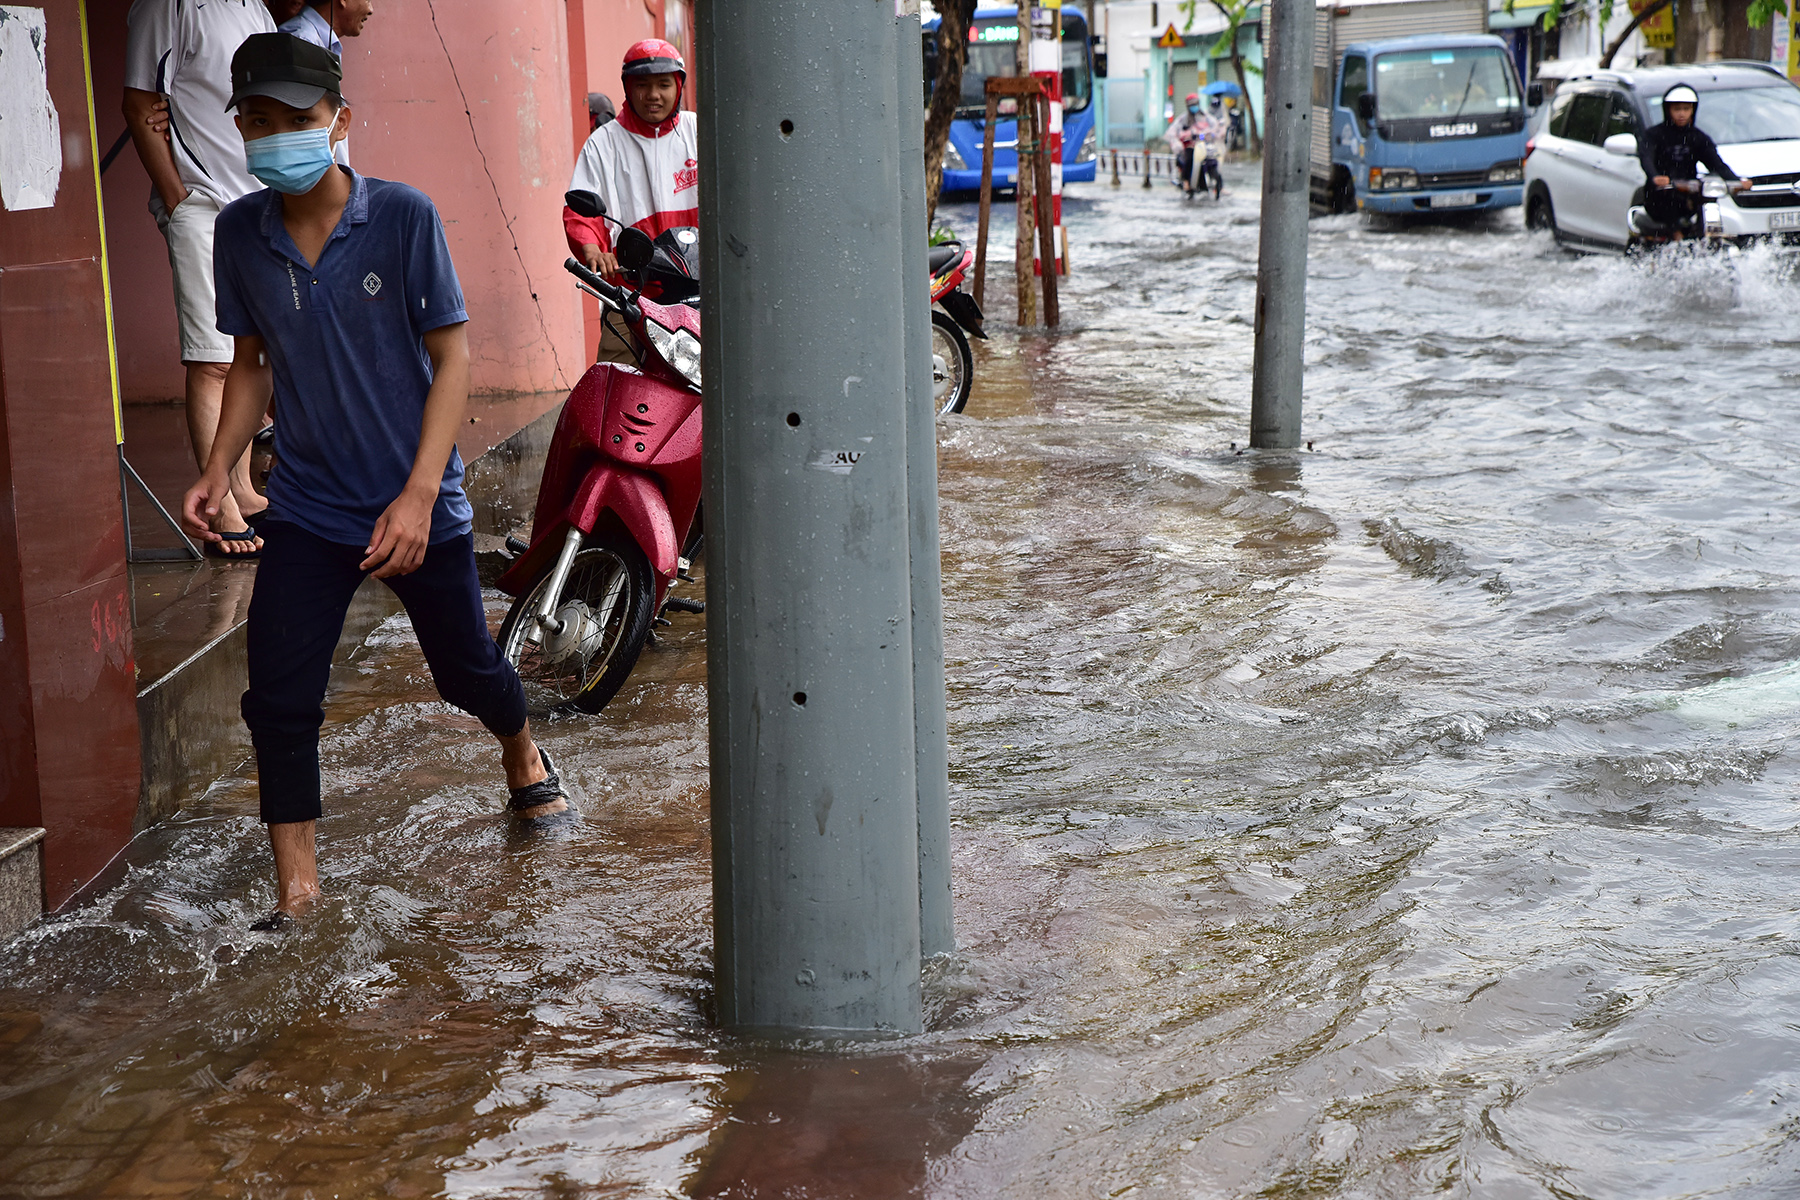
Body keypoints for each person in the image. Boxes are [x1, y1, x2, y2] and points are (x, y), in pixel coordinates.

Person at [182, 33, 569, 932]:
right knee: (278, 698)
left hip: (415, 500)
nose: (278, 137)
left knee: (466, 675)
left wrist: (422, 492)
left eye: (299, 121)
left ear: (341, 120)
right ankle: (300, 895)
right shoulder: (240, 233)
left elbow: (455, 357)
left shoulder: (402, 218)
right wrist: (216, 466)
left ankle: (520, 751)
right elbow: (250, 367)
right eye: (259, 122)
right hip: (311, 510)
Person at [125, 0, 276, 557]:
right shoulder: (170, 6)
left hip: (256, 207)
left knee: (251, 355)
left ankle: (244, 489)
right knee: (212, 359)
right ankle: (221, 508)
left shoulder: (253, 7)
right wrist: (179, 200)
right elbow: (139, 101)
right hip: (205, 208)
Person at [564, 39, 697, 283]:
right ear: (628, 88)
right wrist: (591, 248)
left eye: (664, 84)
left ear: (678, 87)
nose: (653, 95)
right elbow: (580, 212)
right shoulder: (602, 143)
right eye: (642, 85)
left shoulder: (699, 131)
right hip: (634, 294)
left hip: (706, 288)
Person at [1638, 84, 1747, 237]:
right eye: (1677, 109)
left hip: (1690, 194)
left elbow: (1716, 163)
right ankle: (1676, 241)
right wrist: (1655, 177)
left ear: (1693, 110)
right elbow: (1646, 157)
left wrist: (1737, 181)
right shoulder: (1653, 135)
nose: (1682, 114)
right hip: (1660, 195)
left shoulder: (1698, 137)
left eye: (1686, 109)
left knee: (1708, 205)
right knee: (1667, 201)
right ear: (1668, 110)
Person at [1164, 92, 1208, 197]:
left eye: (1196, 104)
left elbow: (1208, 131)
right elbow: (1175, 132)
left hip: (1200, 146)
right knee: (1189, 159)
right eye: (1192, 105)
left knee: (1205, 161)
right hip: (1187, 146)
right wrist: (1184, 137)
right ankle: (1186, 182)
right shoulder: (1183, 119)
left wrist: (1203, 137)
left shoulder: (1203, 117)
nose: (1194, 107)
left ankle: (1204, 184)